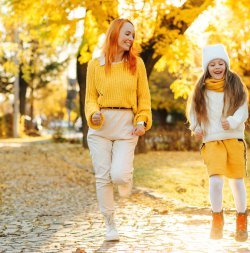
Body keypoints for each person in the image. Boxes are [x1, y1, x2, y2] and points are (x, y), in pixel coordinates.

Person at [85, 18, 152, 242]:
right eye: (127, 34)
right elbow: (90, 98)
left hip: (126, 126)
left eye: (133, 35)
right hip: (101, 127)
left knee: (119, 175)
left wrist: (142, 120)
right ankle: (110, 223)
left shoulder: (137, 64)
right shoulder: (95, 64)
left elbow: (144, 99)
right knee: (103, 177)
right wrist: (93, 112)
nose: (130, 39)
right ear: (114, 34)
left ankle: (125, 178)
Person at [187, 44, 249, 242]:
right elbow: (193, 111)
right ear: (207, 67)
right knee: (215, 180)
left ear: (226, 64)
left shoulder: (235, 84)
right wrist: (196, 126)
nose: (217, 67)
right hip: (212, 139)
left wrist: (231, 121)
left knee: (237, 181)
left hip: (233, 138)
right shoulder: (201, 88)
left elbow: (243, 109)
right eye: (212, 64)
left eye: (220, 63)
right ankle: (217, 219)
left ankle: (241, 220)